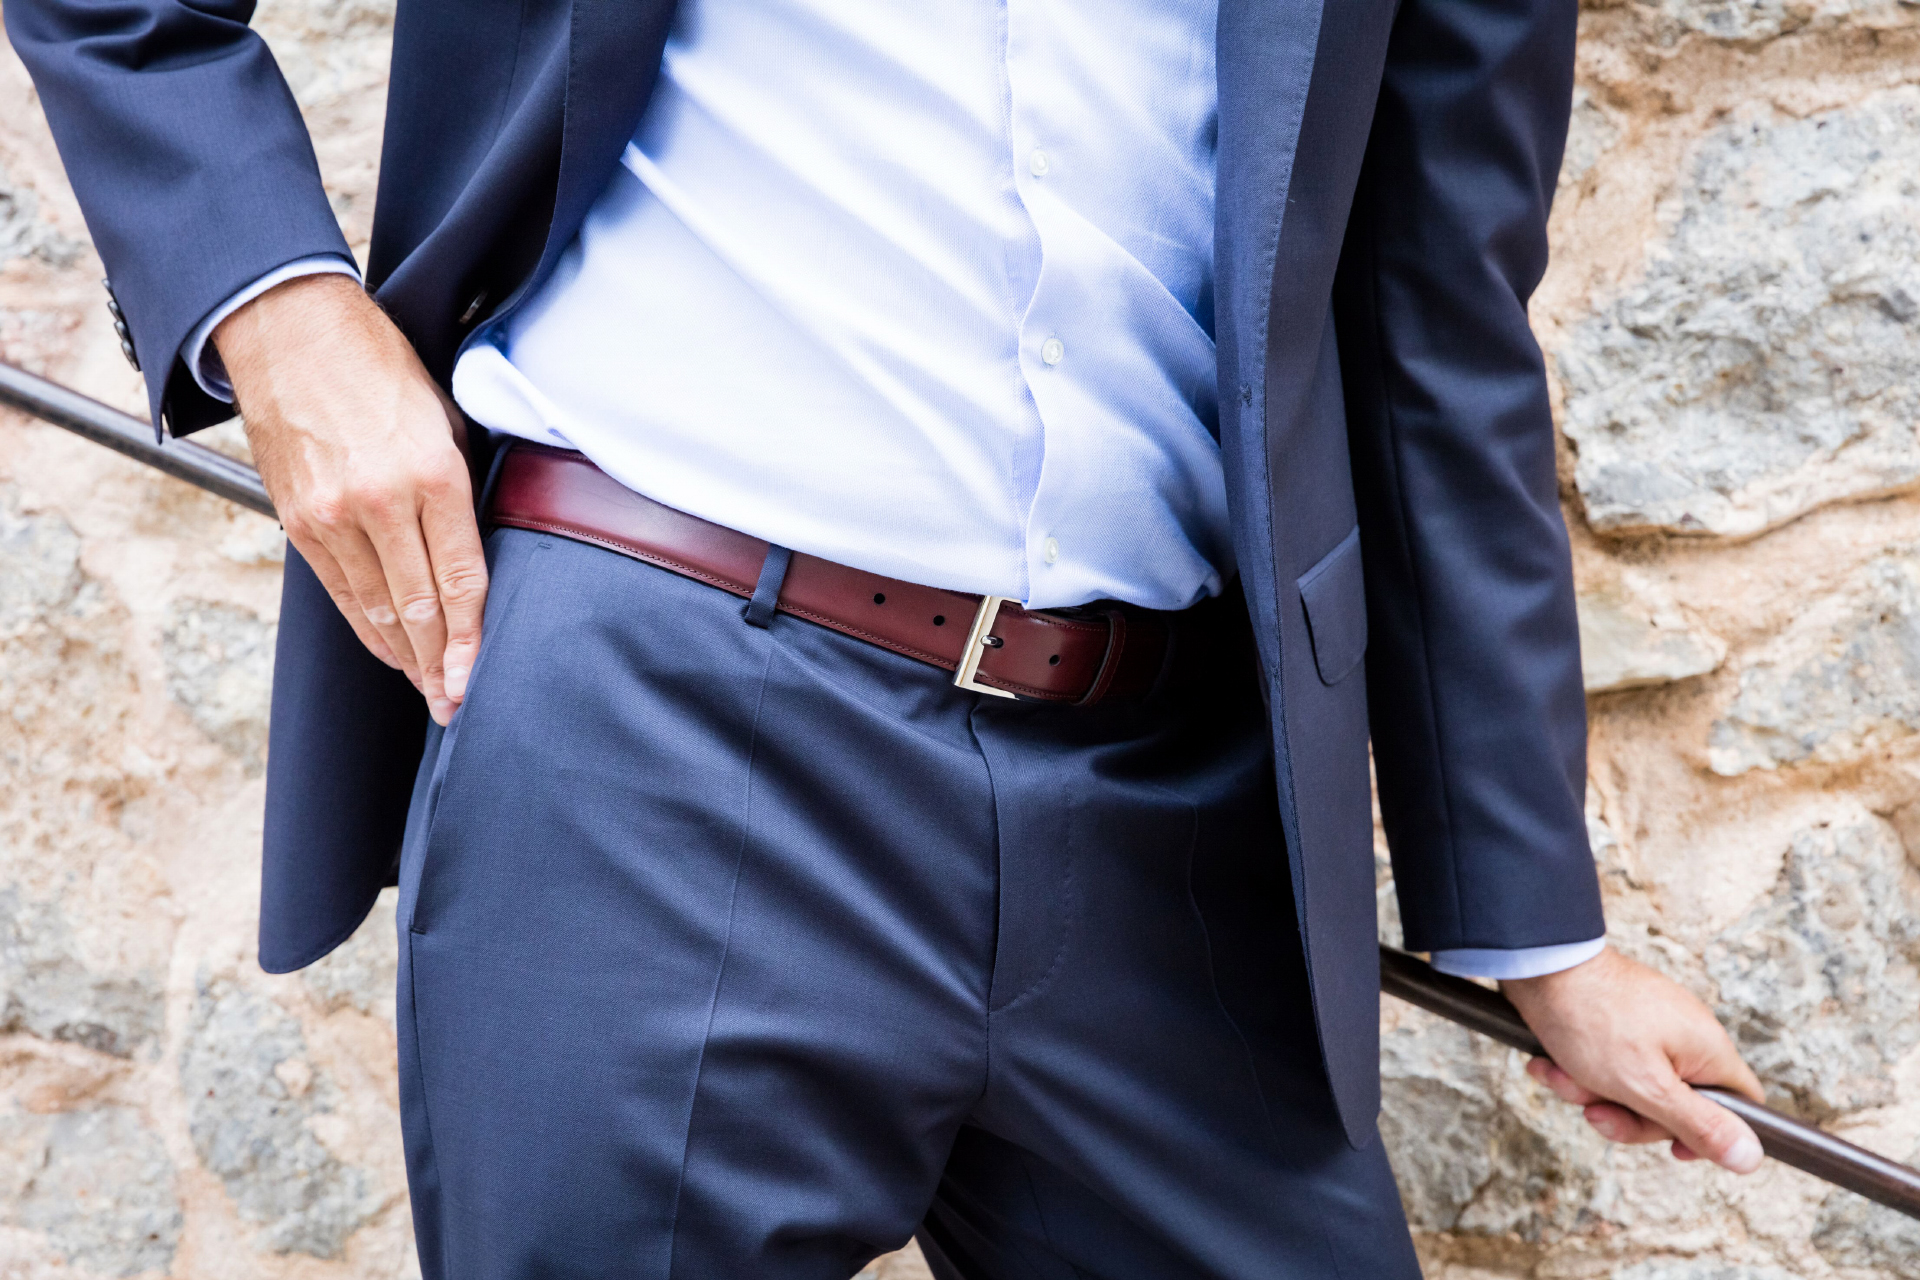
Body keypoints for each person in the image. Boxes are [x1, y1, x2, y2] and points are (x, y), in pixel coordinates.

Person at [8, 0, 1768, 1276]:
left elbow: (1436, 323)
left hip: (1177, 807)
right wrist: (280, 314)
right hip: (664, 717)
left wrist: (1536, 927)